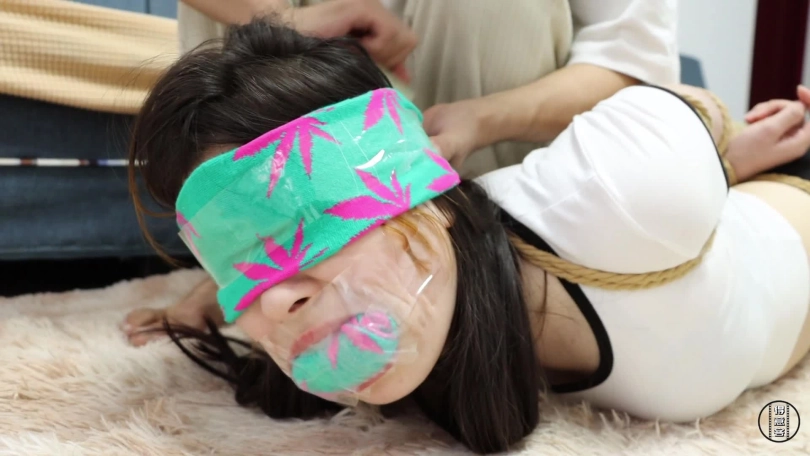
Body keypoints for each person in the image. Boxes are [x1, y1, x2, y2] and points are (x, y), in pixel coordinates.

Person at [125, 21, 810, 454]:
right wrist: (229, 291)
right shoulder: (394, 328)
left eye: (301, 230)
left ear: (425, 193)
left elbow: (673, 114)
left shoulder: (621, 196)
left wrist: (719, 155)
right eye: (235, 264)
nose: (272, 303)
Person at [123, 0, 681, 343]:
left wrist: (480, 120)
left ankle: (473, 264)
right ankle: (264, 250)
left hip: (482, 132)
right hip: (320, 54)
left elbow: (634, 64)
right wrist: (281, 24)